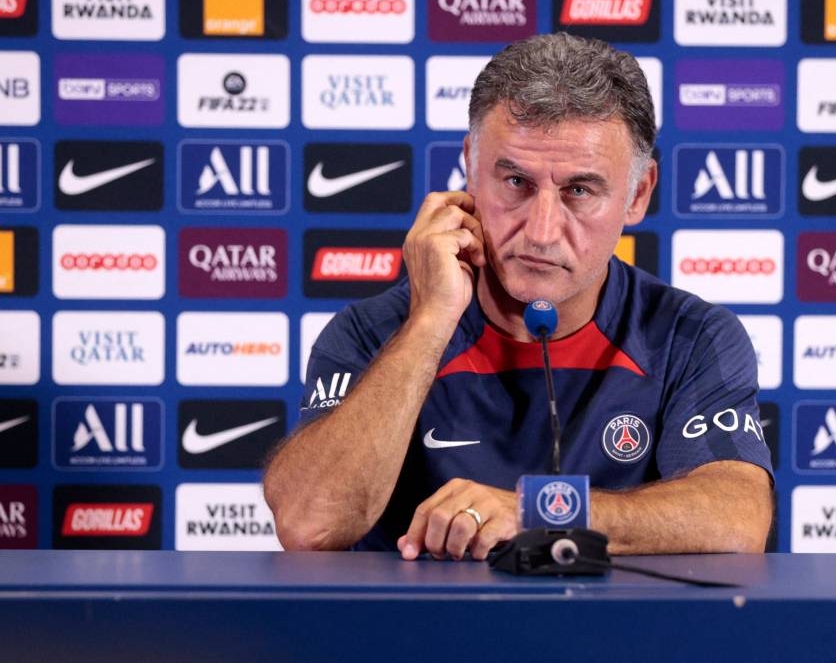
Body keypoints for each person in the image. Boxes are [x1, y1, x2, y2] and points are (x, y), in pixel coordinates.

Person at [264, 32, 774, 560]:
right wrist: (430, 321)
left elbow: (737, 518)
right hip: (416, 642)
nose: (542, 230)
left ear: (637, 194)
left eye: (580, 190)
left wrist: (540, 510)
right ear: (470, 166)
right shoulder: (373, 330)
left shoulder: (687, 336)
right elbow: (310, 522)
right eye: (515, 182)